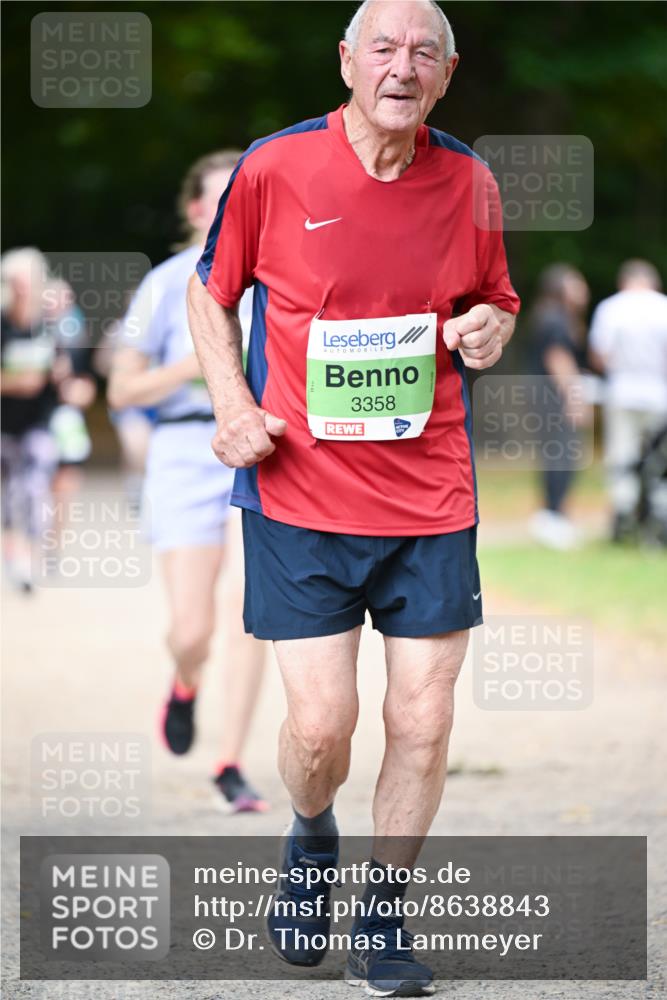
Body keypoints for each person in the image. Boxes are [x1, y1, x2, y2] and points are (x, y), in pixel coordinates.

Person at [187, 1, 519, 994]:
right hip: (298, 493)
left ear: (447, 74)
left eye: (424, 52)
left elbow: (493, 297)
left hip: (428, 496)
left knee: (420, 717)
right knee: (321, 727)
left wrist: (488, 331)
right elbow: (212, 291)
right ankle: (310, 824)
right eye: (383, 46)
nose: (401, 66)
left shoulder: (467, 179)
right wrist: (232, 405)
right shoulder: (275, 166)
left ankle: (383, 920)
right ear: (346, 61)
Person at [108, 151, 269, 813]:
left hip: (261, 450)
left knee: (248, 613)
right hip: (182, 449)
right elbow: (121, 387)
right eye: (218, 197)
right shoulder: (160, 286)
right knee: (192, 628)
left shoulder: (276, 282)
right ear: (196, 210)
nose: (231, 207)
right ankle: (184, 680)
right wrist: (194, 363)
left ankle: (229, 761)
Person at [588, 259, 667, 541]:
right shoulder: (663, 307)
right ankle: (659, 516)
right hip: (658, 393)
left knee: (622, 454)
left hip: (622, 391)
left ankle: (623, 516)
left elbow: (600, 354)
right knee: (660, 457)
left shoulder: (611, 308)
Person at [1, 248, 60, 591]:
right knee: (9, 494)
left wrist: (70, 384)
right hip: (4, 424)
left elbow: (66, 370)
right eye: (17, 281)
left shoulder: (49, 324)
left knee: (35, 487)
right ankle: (14, 555)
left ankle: (32, 558)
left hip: (39, 422)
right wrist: (15, 383)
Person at [528, 263, 591, 550]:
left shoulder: (553, 316)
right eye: (576, 282)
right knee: (561, 453)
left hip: (547, 396)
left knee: (557, 452)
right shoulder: (554, 319)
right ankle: (553, 517)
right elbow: (559, 360)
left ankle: (553, 514)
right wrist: (574, 398)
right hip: (554, 396)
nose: (583, 288)